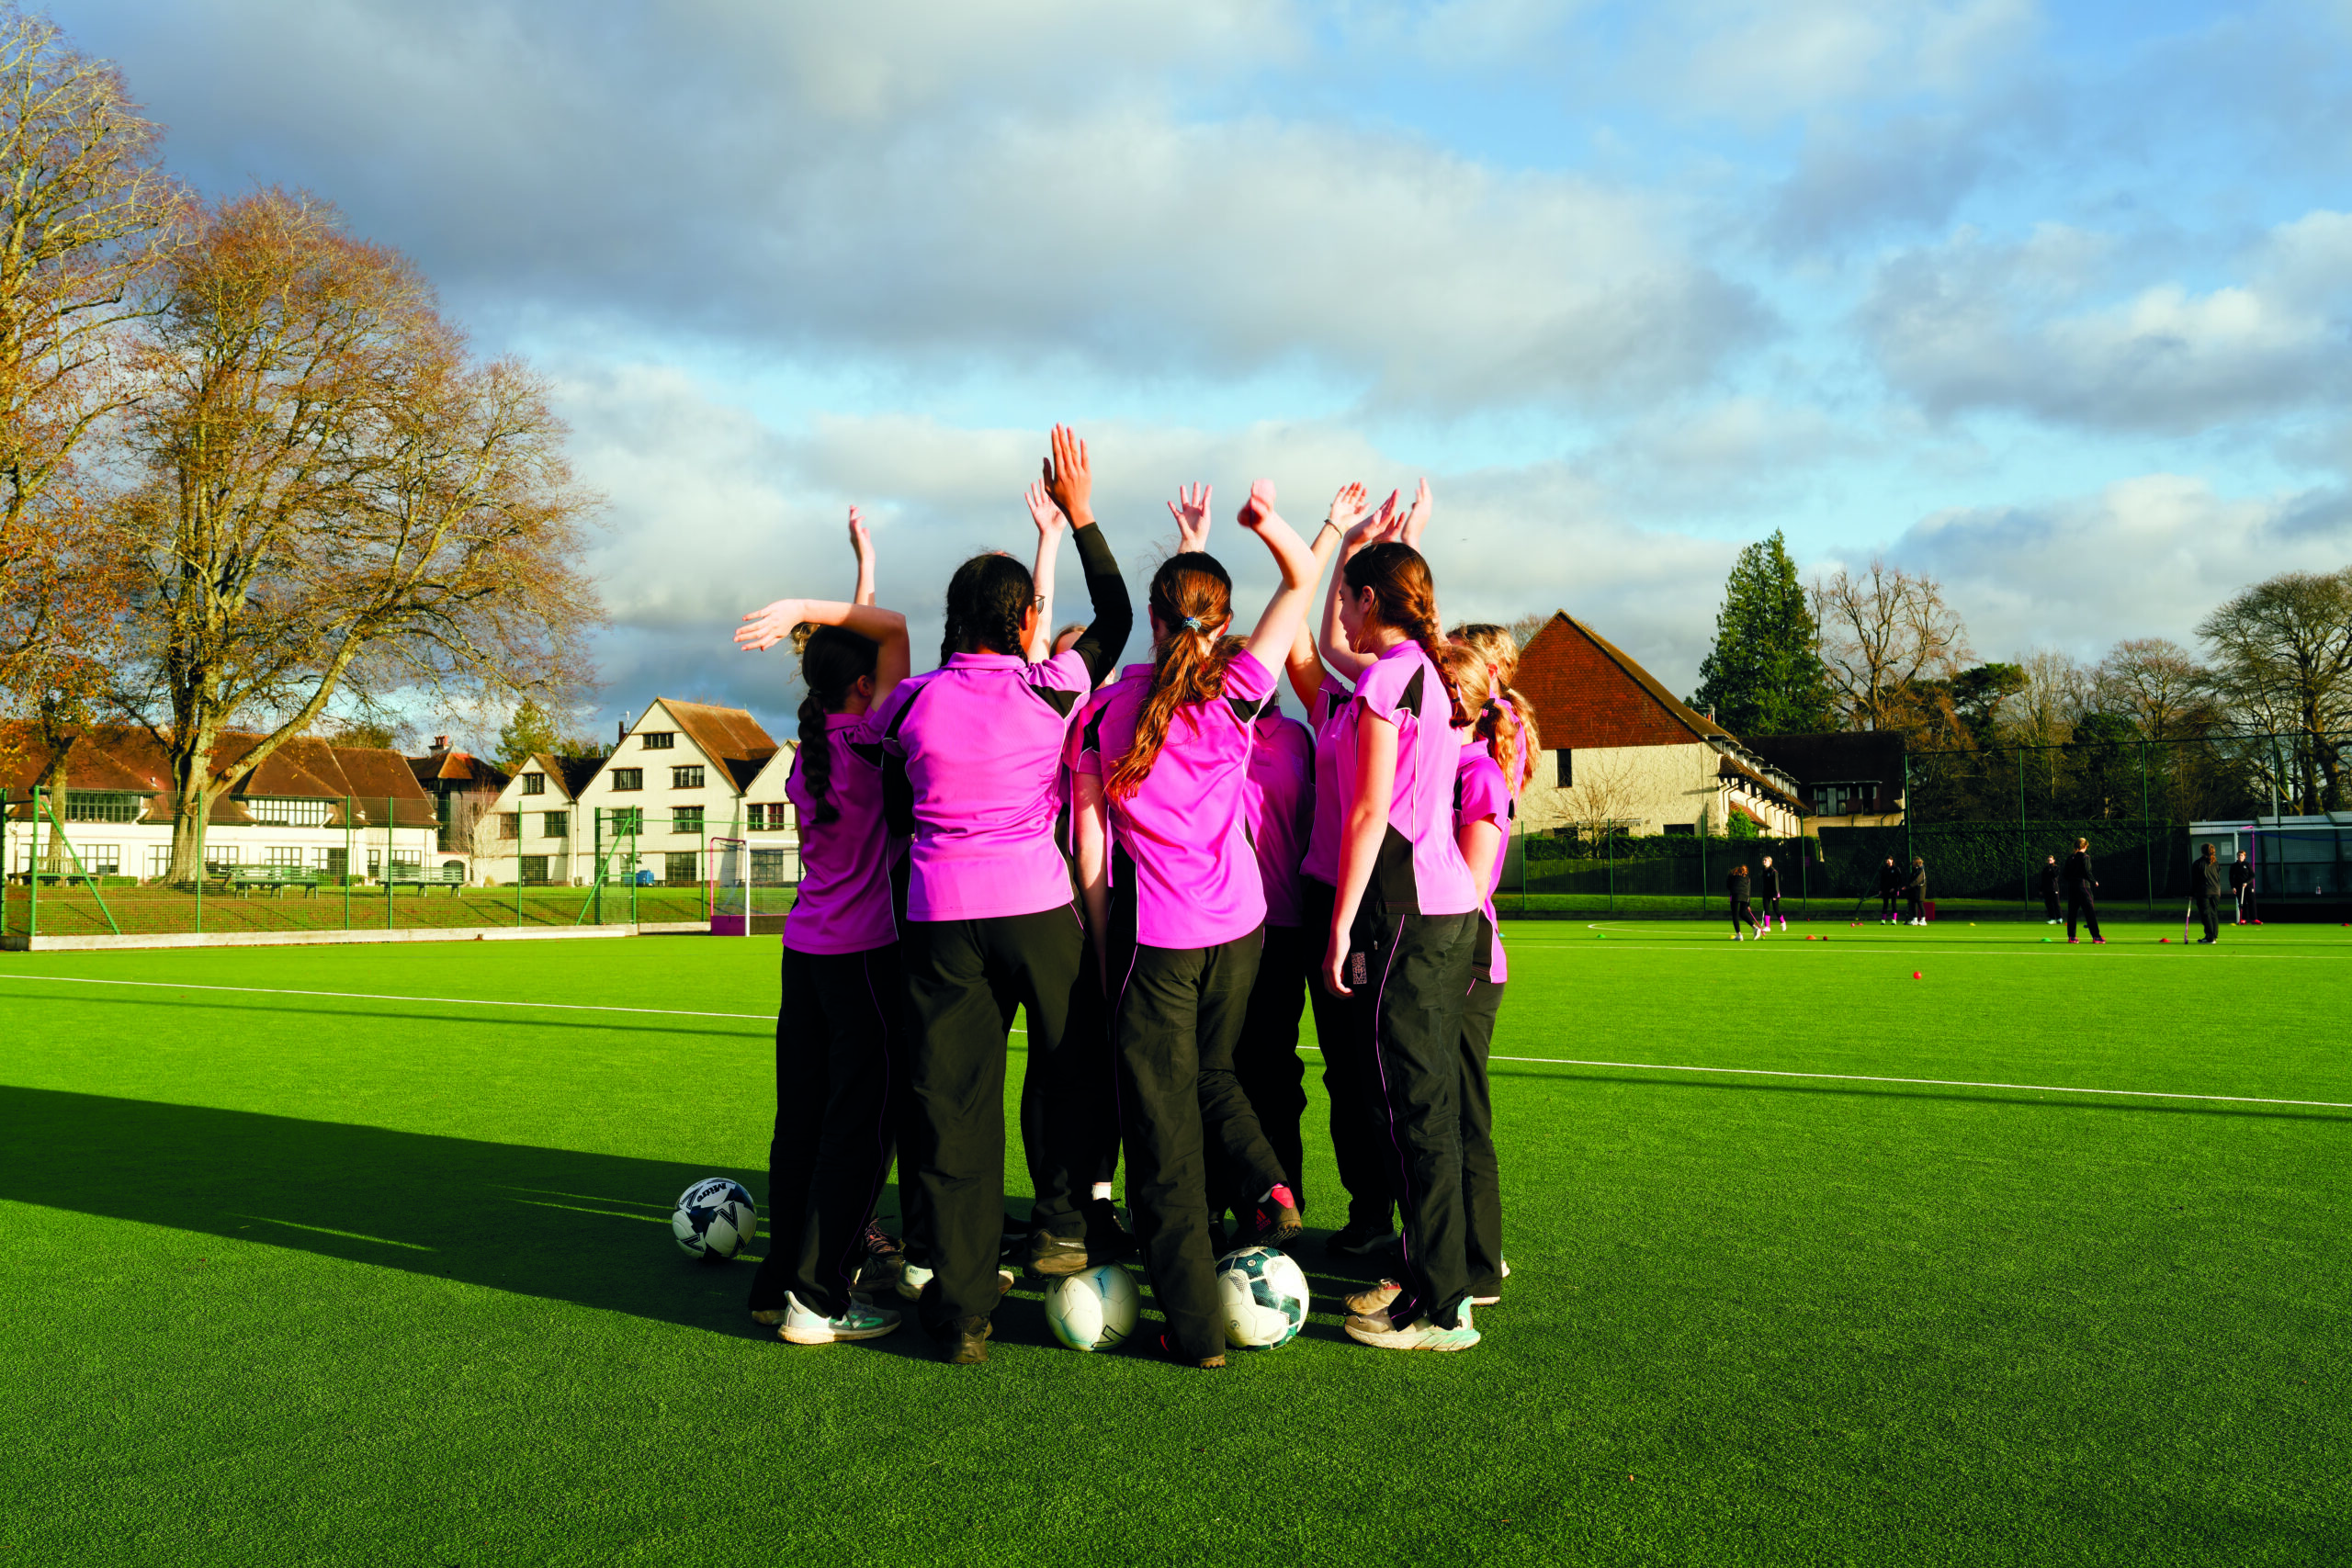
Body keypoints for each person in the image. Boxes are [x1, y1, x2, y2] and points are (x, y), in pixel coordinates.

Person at [871, 425, 1134, 1366]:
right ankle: (1063, 1227)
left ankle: (962, 1310)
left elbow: (893, 801)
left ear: (953, 619)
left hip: (939, 918)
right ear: (1025, 622)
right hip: (1034, 908)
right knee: (1066, 1073)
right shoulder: (1053, 689)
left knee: (953, 1109)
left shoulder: (908, 702)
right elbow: (1115, 616)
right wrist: (1081, 514)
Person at [1070, 479, 1318, 1368]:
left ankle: (1195, 1330)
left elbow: (1094, 856)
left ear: (1148, 614)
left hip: (1161, 940)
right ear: (1221, 620)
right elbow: (1302, 581)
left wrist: (1103, 950)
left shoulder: (1102, 709)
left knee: (1162, 1138)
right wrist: (1273, 527)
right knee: (1217, 1075)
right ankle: (1267, 1182)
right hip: (1243, 931)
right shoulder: (1240, 691)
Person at [732, 509, 912, 1346]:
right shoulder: (878, 743)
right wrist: (826, 597)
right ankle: (821, 1298)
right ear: (862, 687)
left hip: (802, 956)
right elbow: (894, 630)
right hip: (865, 960)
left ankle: (777, 1286)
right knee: (858, 1130)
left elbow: (860, 645)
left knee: (797, 1120)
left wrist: (862, 566)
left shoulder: (812, 751)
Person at [1321, 532, 1487, 1354]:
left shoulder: (1390, 677)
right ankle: (1437, 1283)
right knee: (1429, 1106)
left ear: (1372, 600)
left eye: (1349, 596)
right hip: (1447, 909)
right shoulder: (1430, 669)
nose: (1342, 614)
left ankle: (1442, 1307)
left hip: (1410, 912)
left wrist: (1342, 920)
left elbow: (1367, 810)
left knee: (1415, 1108)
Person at [1286, 483, 1416, 1259]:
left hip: (1374, 904)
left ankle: (1409, 1218)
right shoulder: (1332, 700)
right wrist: (1337, 543)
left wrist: (1383, 548)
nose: (1348, 622)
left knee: (1380, 1068)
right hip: (1320, 897)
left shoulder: (1388, 694)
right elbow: (1303, 622)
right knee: (1341, 1070)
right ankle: (1369, 1212)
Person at [1438, 638, 1533, 1308]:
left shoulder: (1478, 776)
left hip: (1466, 960)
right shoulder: (1449, 767)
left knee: (1466, 1115)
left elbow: (1469, 888)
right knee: (1440, 1112)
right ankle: (1454, 1248)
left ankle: (1480, 1261)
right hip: (1443, 958)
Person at [2061, 837, 2103, 944]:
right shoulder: (2085, 857)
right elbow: (2087, 872)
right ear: (2085, 846)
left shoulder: (2070, 858)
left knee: (2072, 913)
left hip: (2072, 887)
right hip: (2083, 887)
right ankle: (2096, 937)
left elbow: (2065, 874)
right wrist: (2094, 881)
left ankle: (2072, 937)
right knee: (2090, 912)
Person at [2191, 844, 2225, 943]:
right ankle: (2213, 936)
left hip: (2204, 892)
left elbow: (2195, 881)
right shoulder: (2215, 863)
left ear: (2202, 851)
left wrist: (2191, 893)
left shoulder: (2198, 863)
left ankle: (2210, 937)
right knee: (2213, 914)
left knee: (2206, 915)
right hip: (2216, 892)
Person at [1726, 863, 1760, 940]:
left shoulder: (1732, 875)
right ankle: (1755, 928)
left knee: (1735, 915)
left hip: (1735, 894)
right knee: (1742, 914)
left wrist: (1732, 892)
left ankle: (1739, 935)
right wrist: (1748, 904)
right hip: (1745, 896)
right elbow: (1749, 891)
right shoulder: (1747, 878)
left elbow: (1728, 886)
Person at [2231, 850, 2261, 926]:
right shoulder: (2234, 866)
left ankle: (2254, 919)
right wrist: (2233, 887)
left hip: (2248, 886)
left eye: (2241, 855)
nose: (2240, 857)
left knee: (2251, 902)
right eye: (2239, 855)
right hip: (2238, 887)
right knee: (2242, 903)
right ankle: (2243, 919)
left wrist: (2246, 883)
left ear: (2244, 857)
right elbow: (2231, 877)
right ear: (2237, 856)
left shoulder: (2247, 864)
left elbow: (2252, 875)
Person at [1757, 853, 1785, 931]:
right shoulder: (1763, 870)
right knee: (1766, 909)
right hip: (1766, 893)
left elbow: (1776, 884)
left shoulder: (1773, 871)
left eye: (1766, 860)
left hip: (1774, 893)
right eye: (1763, 860)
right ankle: (1767, 926)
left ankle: (1783, 922)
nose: (1764, 861)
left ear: (1770, 862)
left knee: (1776, 910)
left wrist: (1775, 895)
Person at [1876, 856, 1902, 923]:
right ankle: (1883, 920)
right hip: (1885, 889)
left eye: (1888, 860)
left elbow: (1899, 880)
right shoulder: (1884, 869)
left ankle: (1894, 920)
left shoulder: (1896, 869)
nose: (1887, 862)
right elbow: (1882, 880)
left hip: (1894, 890)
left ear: (1892, 861)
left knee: (1894, 904)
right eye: (1886, 861)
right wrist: (1881, 889)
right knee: (1885, 904)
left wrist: (1895, 888)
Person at [1903, 856, 1928, 926]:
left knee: (1920, 904)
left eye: (1913, 862)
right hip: (1914, 890)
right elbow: (1911, 880)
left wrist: (1909, 886)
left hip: (1920, 891)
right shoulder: (1915, 871)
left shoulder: (1921, 871)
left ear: (1917, 863)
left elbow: (1917, 881)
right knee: (1914, 904)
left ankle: (1923, 920)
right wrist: (1907, 886)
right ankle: (1915, 919)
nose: (1912, 864)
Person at [2038, 855, 2061, 923]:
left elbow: (2055, 875)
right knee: (2049, 904)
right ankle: (2052, 919)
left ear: (2053, 861)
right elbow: (2043, 880)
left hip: (2054, 888)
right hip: (2046, 889)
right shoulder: (2045, 869)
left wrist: (2051, 867)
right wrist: (2041, 890)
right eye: (2048, 860)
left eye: (2050, 860)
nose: (2049, 862)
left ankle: (2059, 918)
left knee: (2056, 904)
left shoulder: (2056, 868)